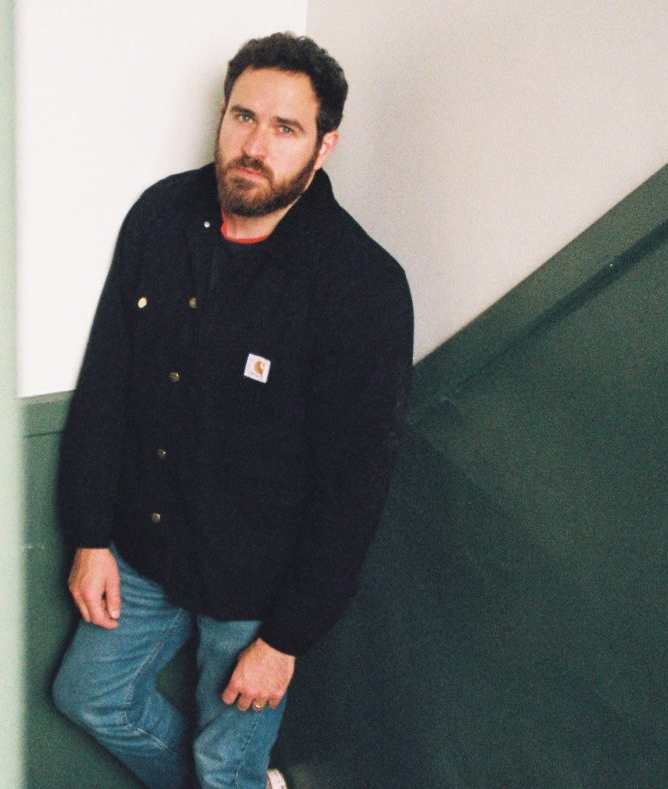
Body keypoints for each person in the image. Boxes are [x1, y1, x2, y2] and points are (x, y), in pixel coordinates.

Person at [52, 32, 414, 789]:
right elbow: (107, 384)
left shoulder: (364, 288)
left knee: (228, 760)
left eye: (285, 129)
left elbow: (353, 489)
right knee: (86, 695)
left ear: (325, 146)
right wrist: (88, 536)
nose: (255, 145)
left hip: (257, 591)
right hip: (144, 548)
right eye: (243, 117)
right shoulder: (161, 215)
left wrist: (283, 640)